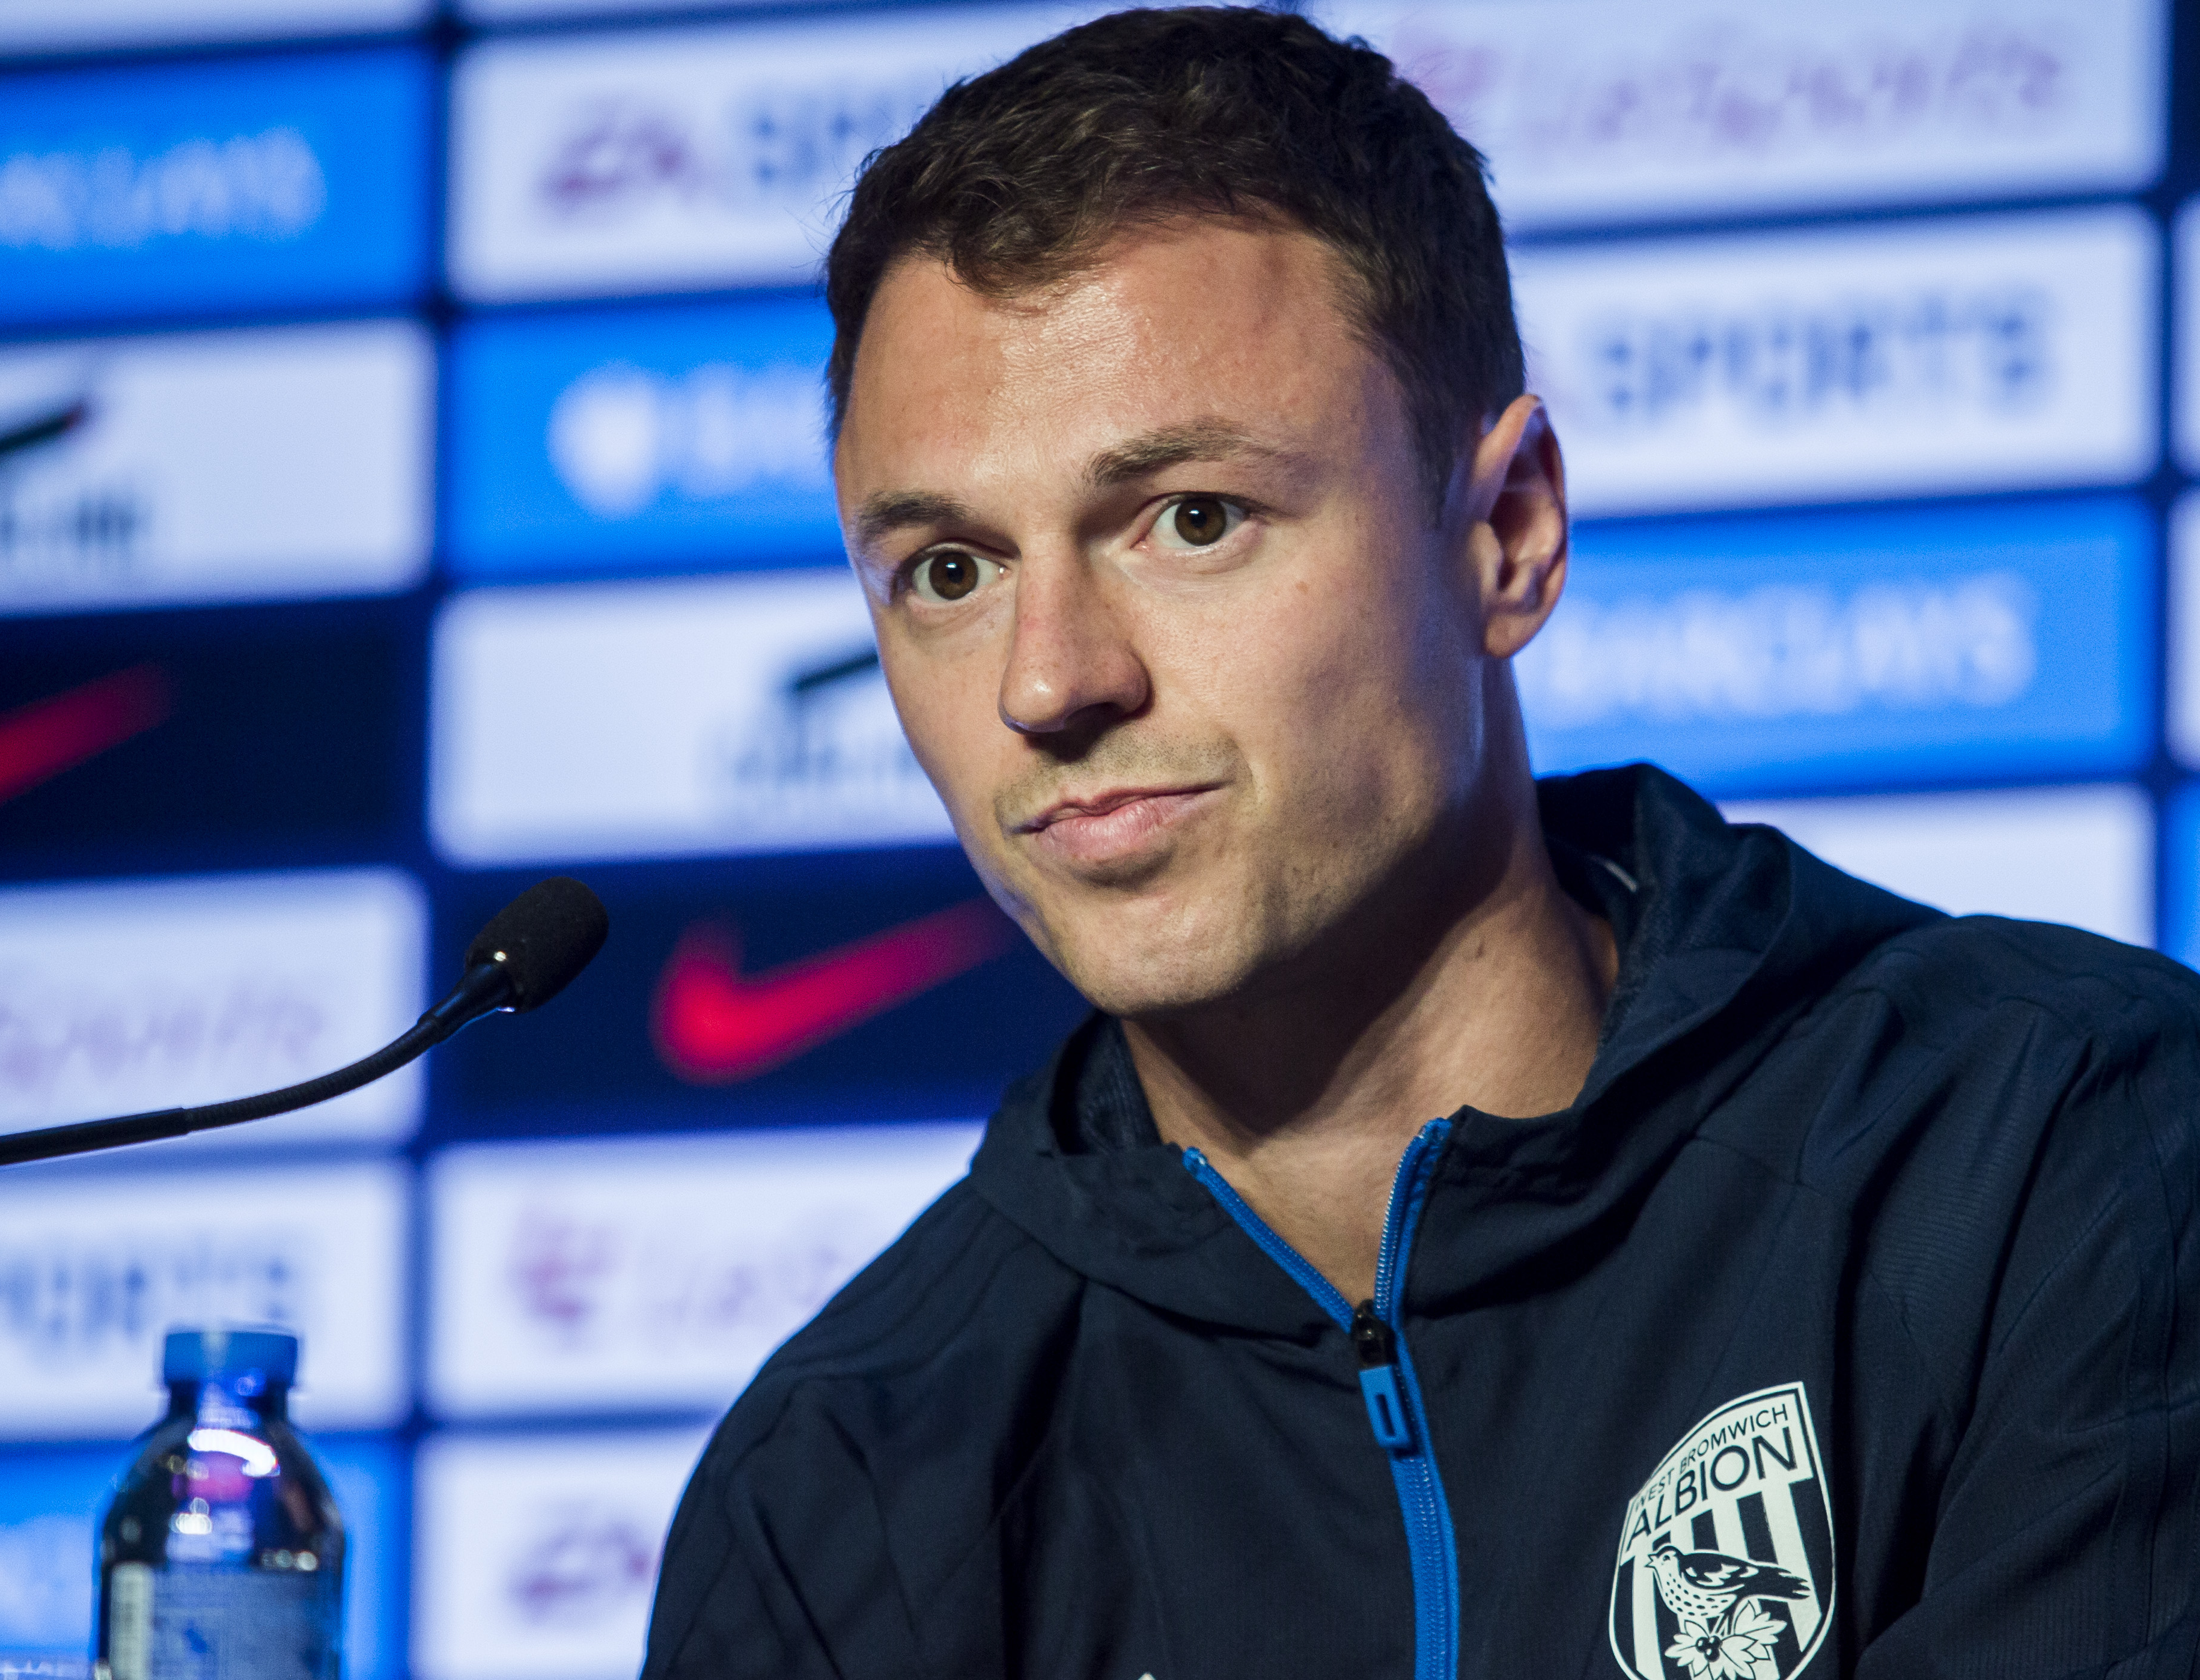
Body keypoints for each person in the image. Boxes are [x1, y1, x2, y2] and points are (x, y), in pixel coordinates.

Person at [641, 9, 2200, 1676]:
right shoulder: (834, 1496)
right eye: (948, 569)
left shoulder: (2058, 1144)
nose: (1049, 679)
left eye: (1189, 520)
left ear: (1507, 535)